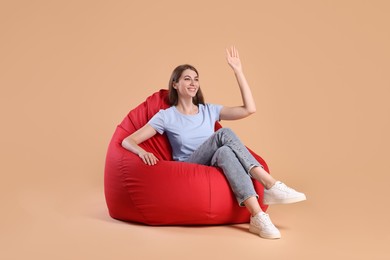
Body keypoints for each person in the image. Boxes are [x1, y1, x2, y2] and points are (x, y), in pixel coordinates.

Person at [121, 46, 306, 239]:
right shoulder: (166, 116)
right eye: (187, 78)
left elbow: (249, 109)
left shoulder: (208, 110)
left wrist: (238, 71)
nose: (193, 83)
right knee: (223, 134)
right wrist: (142, 152)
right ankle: (269, 183)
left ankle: (258, 216)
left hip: (212, 160)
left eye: (196, 79)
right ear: (174, 84)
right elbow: (128, 140)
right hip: (188, 165)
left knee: (225, 152)